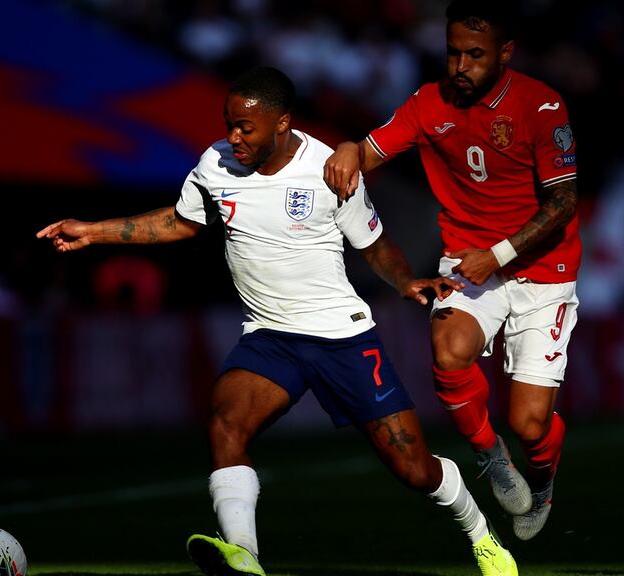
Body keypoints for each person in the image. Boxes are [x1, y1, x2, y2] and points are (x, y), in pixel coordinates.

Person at [38, 66, 517, 576]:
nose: (233, 137)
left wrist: (404, 282)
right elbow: (178, 222)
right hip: (270, 336)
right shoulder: (215, 165)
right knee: (226, 423)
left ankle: (480, 534)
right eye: (229, 124)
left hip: (341, 336)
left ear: (282, 124)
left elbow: (375, 245)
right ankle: (243, 555)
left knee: (414, 468)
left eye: (246, 127)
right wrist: (94, 231)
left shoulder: (329, 169)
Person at [324, 0, 580, 541]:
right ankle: (490, 454)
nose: (460, 66)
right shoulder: (427, 103)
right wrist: (348, 146)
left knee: (530, 424)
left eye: (475, 55)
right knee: (448, 350)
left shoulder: (541, 107)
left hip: (543, 269)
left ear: (505, 54)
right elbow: (369, 151)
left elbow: (562, 205)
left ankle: (543, 475)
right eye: (453, 53)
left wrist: (501, 254)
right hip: (468, 257)